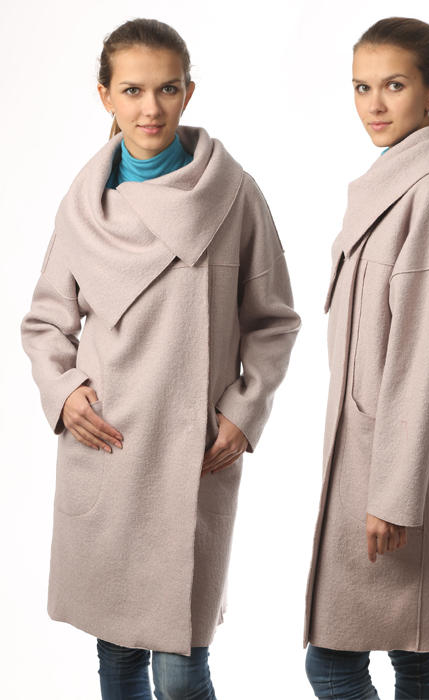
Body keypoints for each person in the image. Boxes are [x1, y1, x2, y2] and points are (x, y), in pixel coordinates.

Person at [20, 17, 301, 700]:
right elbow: (46, 320)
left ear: (188, 92)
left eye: (167, 89)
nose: (151, 108)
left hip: (192, 454)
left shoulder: (233, 194)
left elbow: (273, 320)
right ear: (105, 96)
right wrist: (64, 392)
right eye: (132, 90)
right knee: (116, 659)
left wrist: (244, 412)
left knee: (180, 669)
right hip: (106, 447)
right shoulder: (84, 205)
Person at [303, 16, 429, 700]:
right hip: (374, 455)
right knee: (412, 653)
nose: (374, 105)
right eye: (361, 87)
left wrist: (392, 495)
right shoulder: (395, 182)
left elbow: (420, 359)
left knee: (333, 662)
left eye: (394, 85)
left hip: (393, 472)